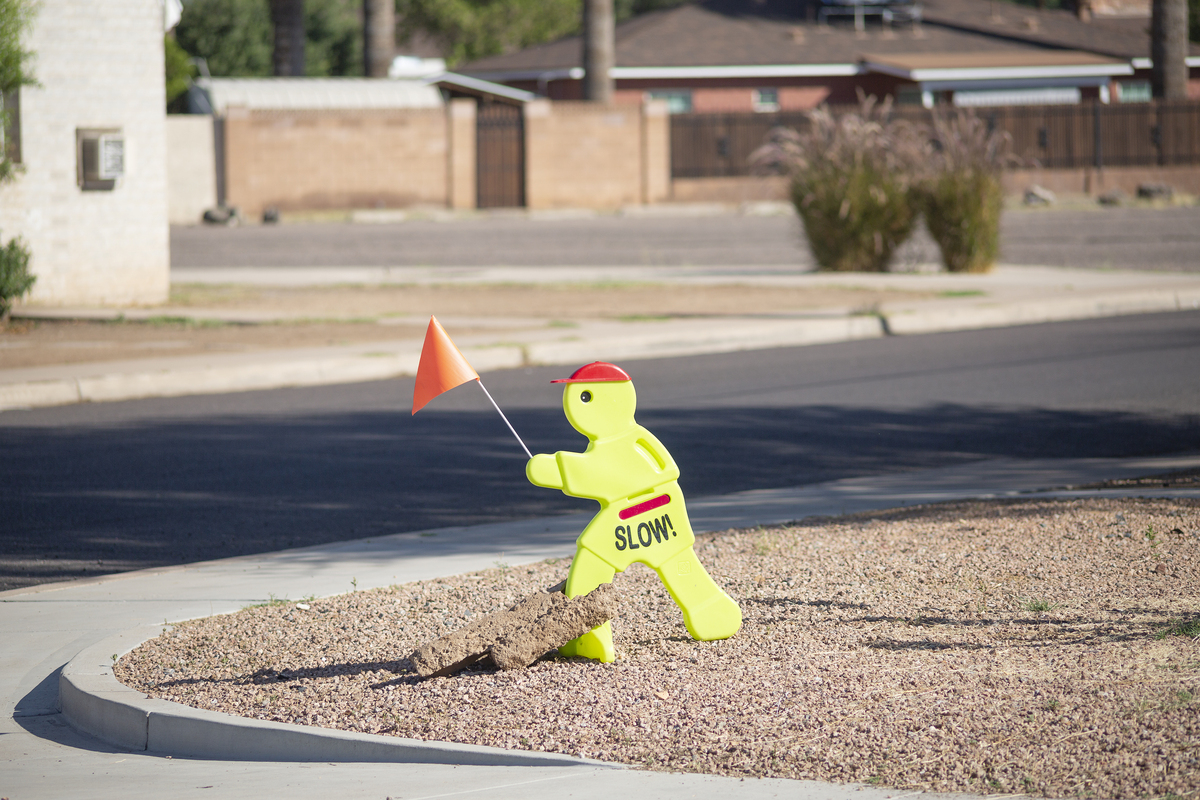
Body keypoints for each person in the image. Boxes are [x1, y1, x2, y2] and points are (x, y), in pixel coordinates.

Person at [526, 361, 742, 662]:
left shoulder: (628, 441)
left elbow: (601, 475)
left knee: (629, 562)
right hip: (639, 511)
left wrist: (556, 468)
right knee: (607, 562)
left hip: (646, 511)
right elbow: (605, 474)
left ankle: (591, 631)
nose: (577, 406)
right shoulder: (637, 439)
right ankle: (585, 632)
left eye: (585, 397)